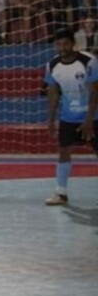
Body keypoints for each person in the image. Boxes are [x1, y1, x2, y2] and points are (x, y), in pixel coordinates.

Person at [43, 28, 98, 206]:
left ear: (73, 43)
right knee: (63, 151)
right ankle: (61, 193)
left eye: (66, 43)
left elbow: (95, 92)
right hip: (68, 117)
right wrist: (51, 120)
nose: (62, 47)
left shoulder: (89, 61)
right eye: (58, 44)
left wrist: (89, 119)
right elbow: (53, 94)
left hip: (94, 117)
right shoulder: (52, 65)